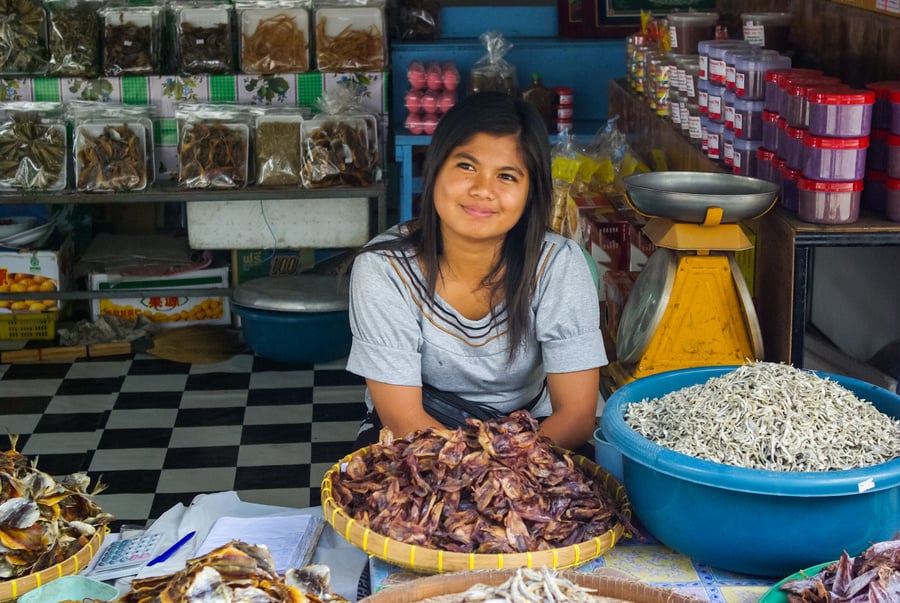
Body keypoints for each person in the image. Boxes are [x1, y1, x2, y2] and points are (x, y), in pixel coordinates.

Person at [346, 91, 608, 453]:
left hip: (538, 438)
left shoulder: (558, 264)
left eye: (507, 176)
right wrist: (474, 477)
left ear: (531, 192)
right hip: (419, 438)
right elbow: (403, 415)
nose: (483, 190)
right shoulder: (384, 270)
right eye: (466, 166)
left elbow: (576, 415)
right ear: (435, 169)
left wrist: (501, 476)